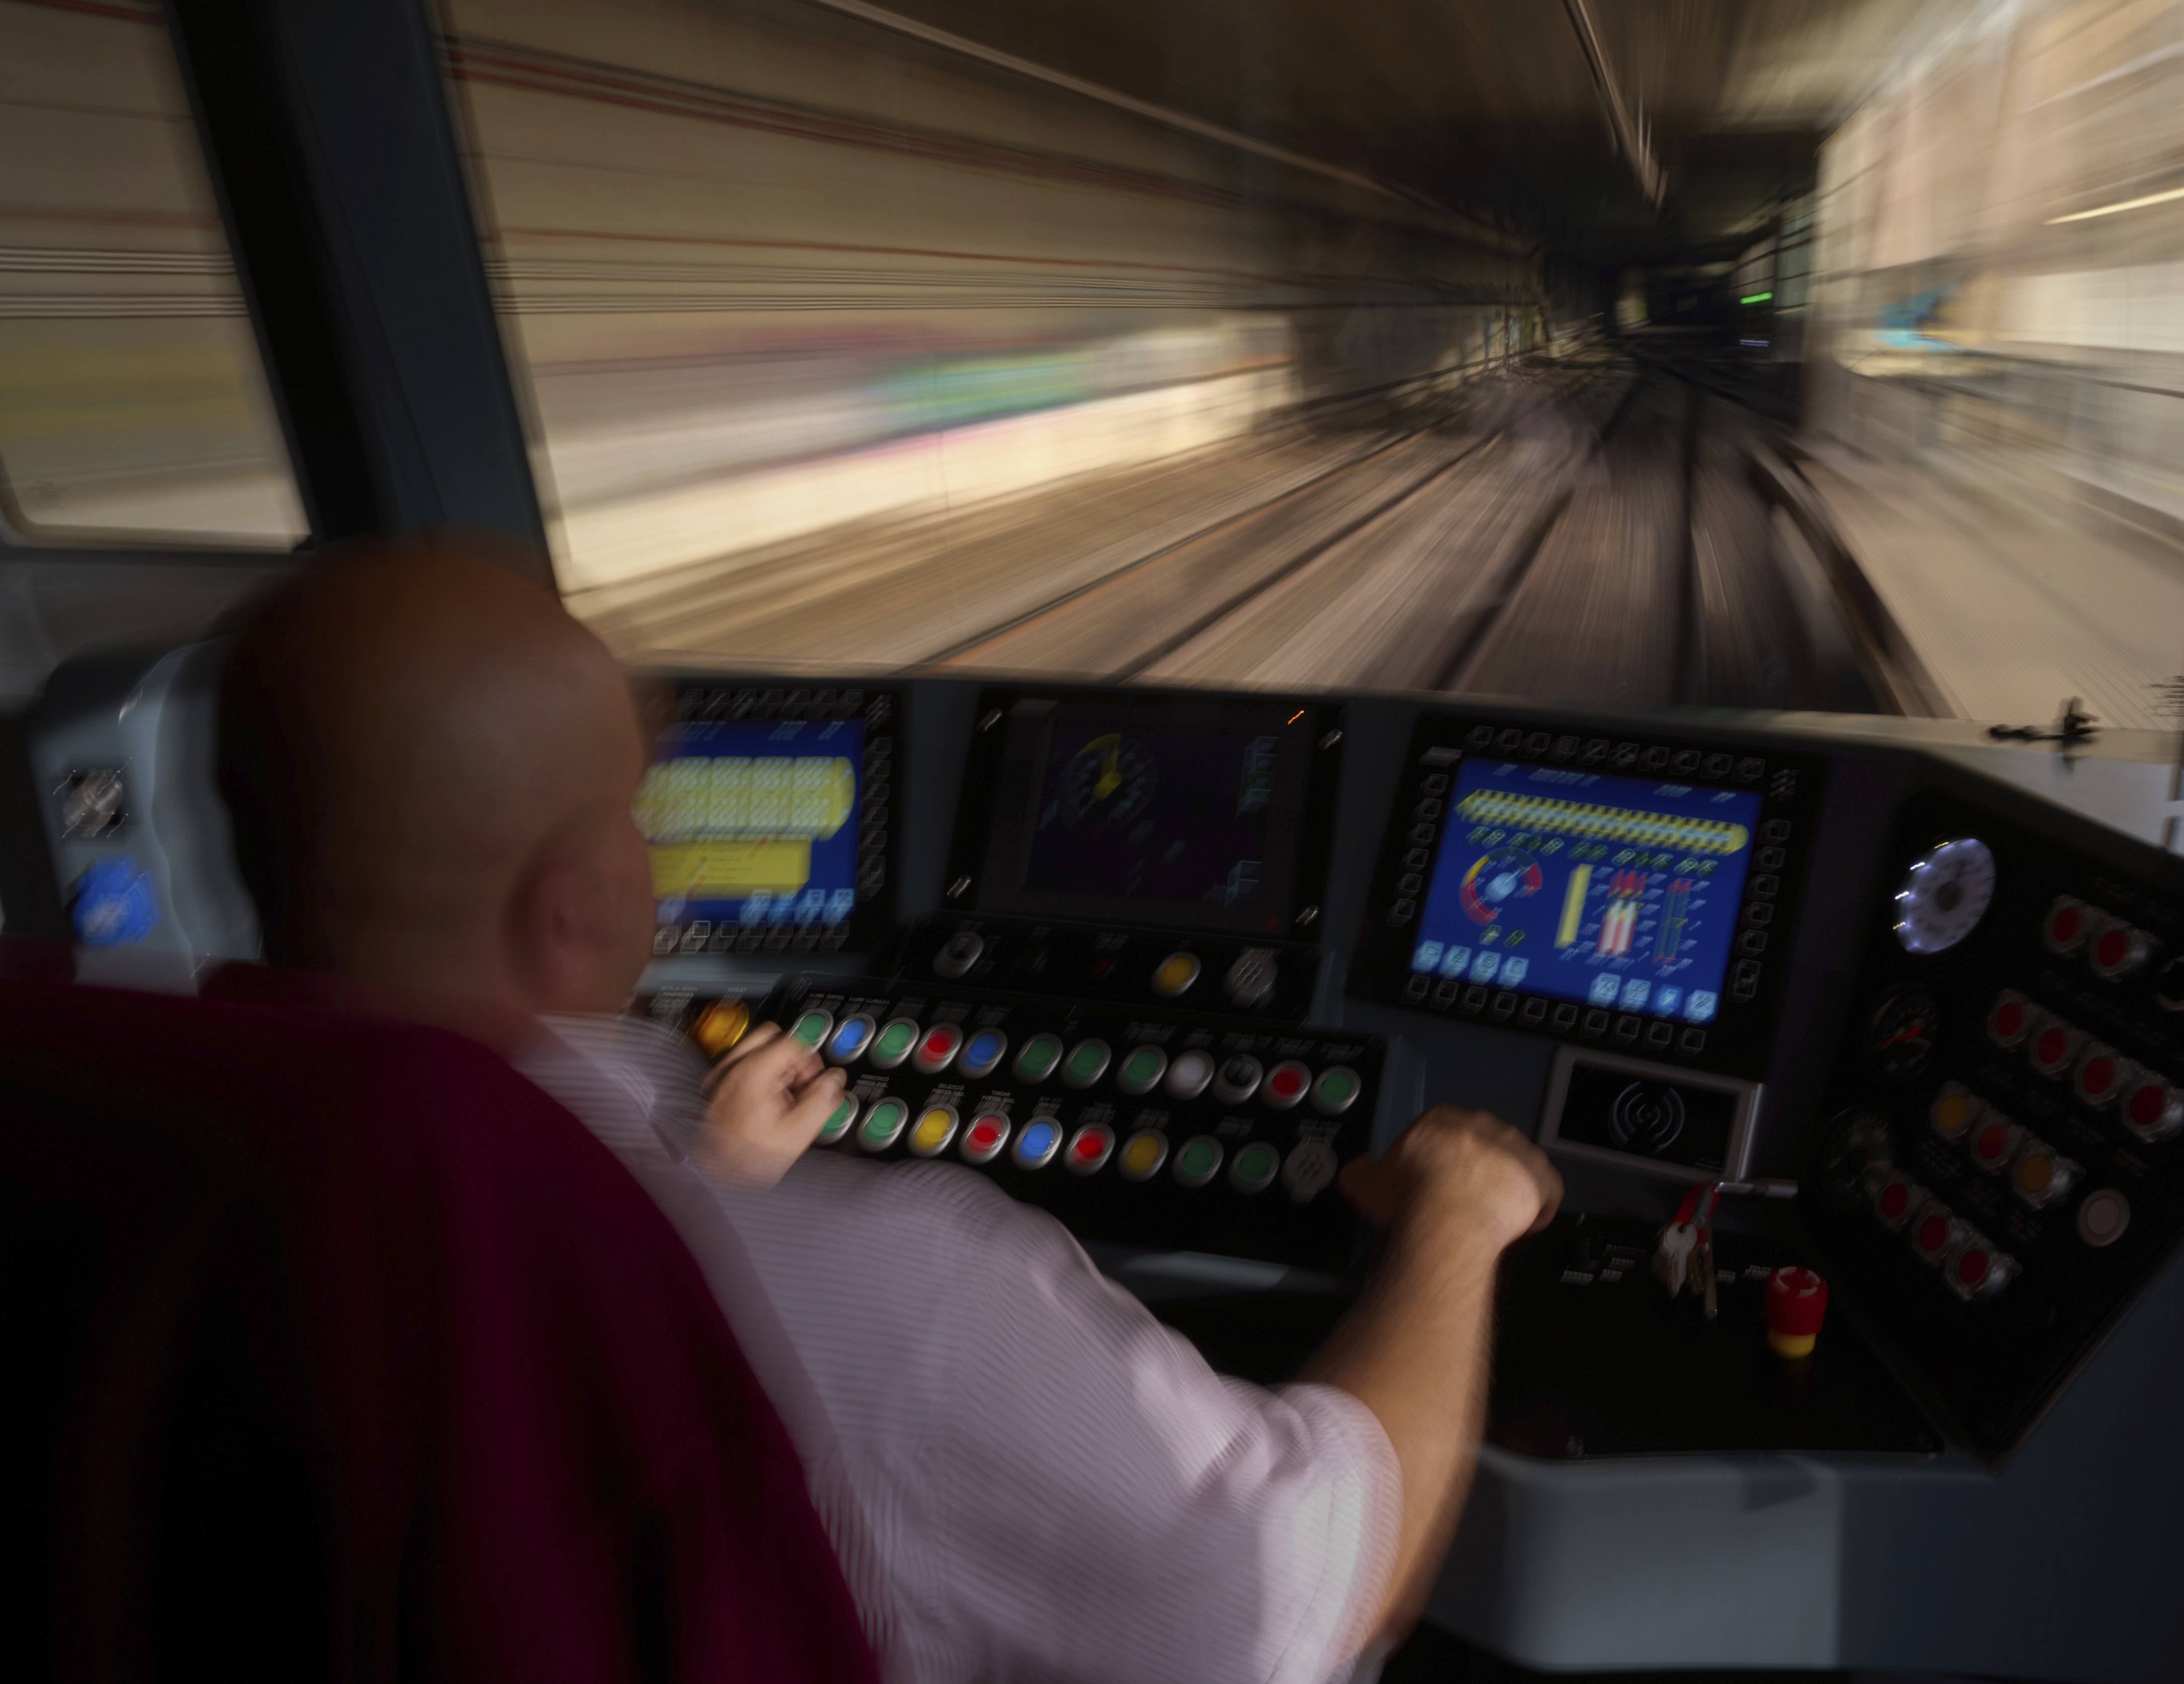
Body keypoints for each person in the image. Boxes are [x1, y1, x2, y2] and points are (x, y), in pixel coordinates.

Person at [215, 535, 1563, 1684]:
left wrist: (711, 1188)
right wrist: (1458, 1221)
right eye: (629, 811)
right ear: (574, 894)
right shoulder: (910, 1283)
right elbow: (1307, 1595)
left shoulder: (158, 1166)